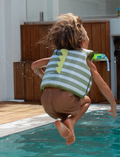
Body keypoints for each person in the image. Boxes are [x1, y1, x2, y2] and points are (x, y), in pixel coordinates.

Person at [31, 13, 117, 146]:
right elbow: (102, 85)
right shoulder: (85, 59)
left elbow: (34, 66)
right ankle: (72, 122)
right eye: (87, 37)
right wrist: (113, 103)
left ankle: (66, 124)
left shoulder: (57, 56)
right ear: (82, 41)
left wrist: (44, 76)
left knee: (65, 112)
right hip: (65, 100)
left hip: (46, 103)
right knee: (86, 100)